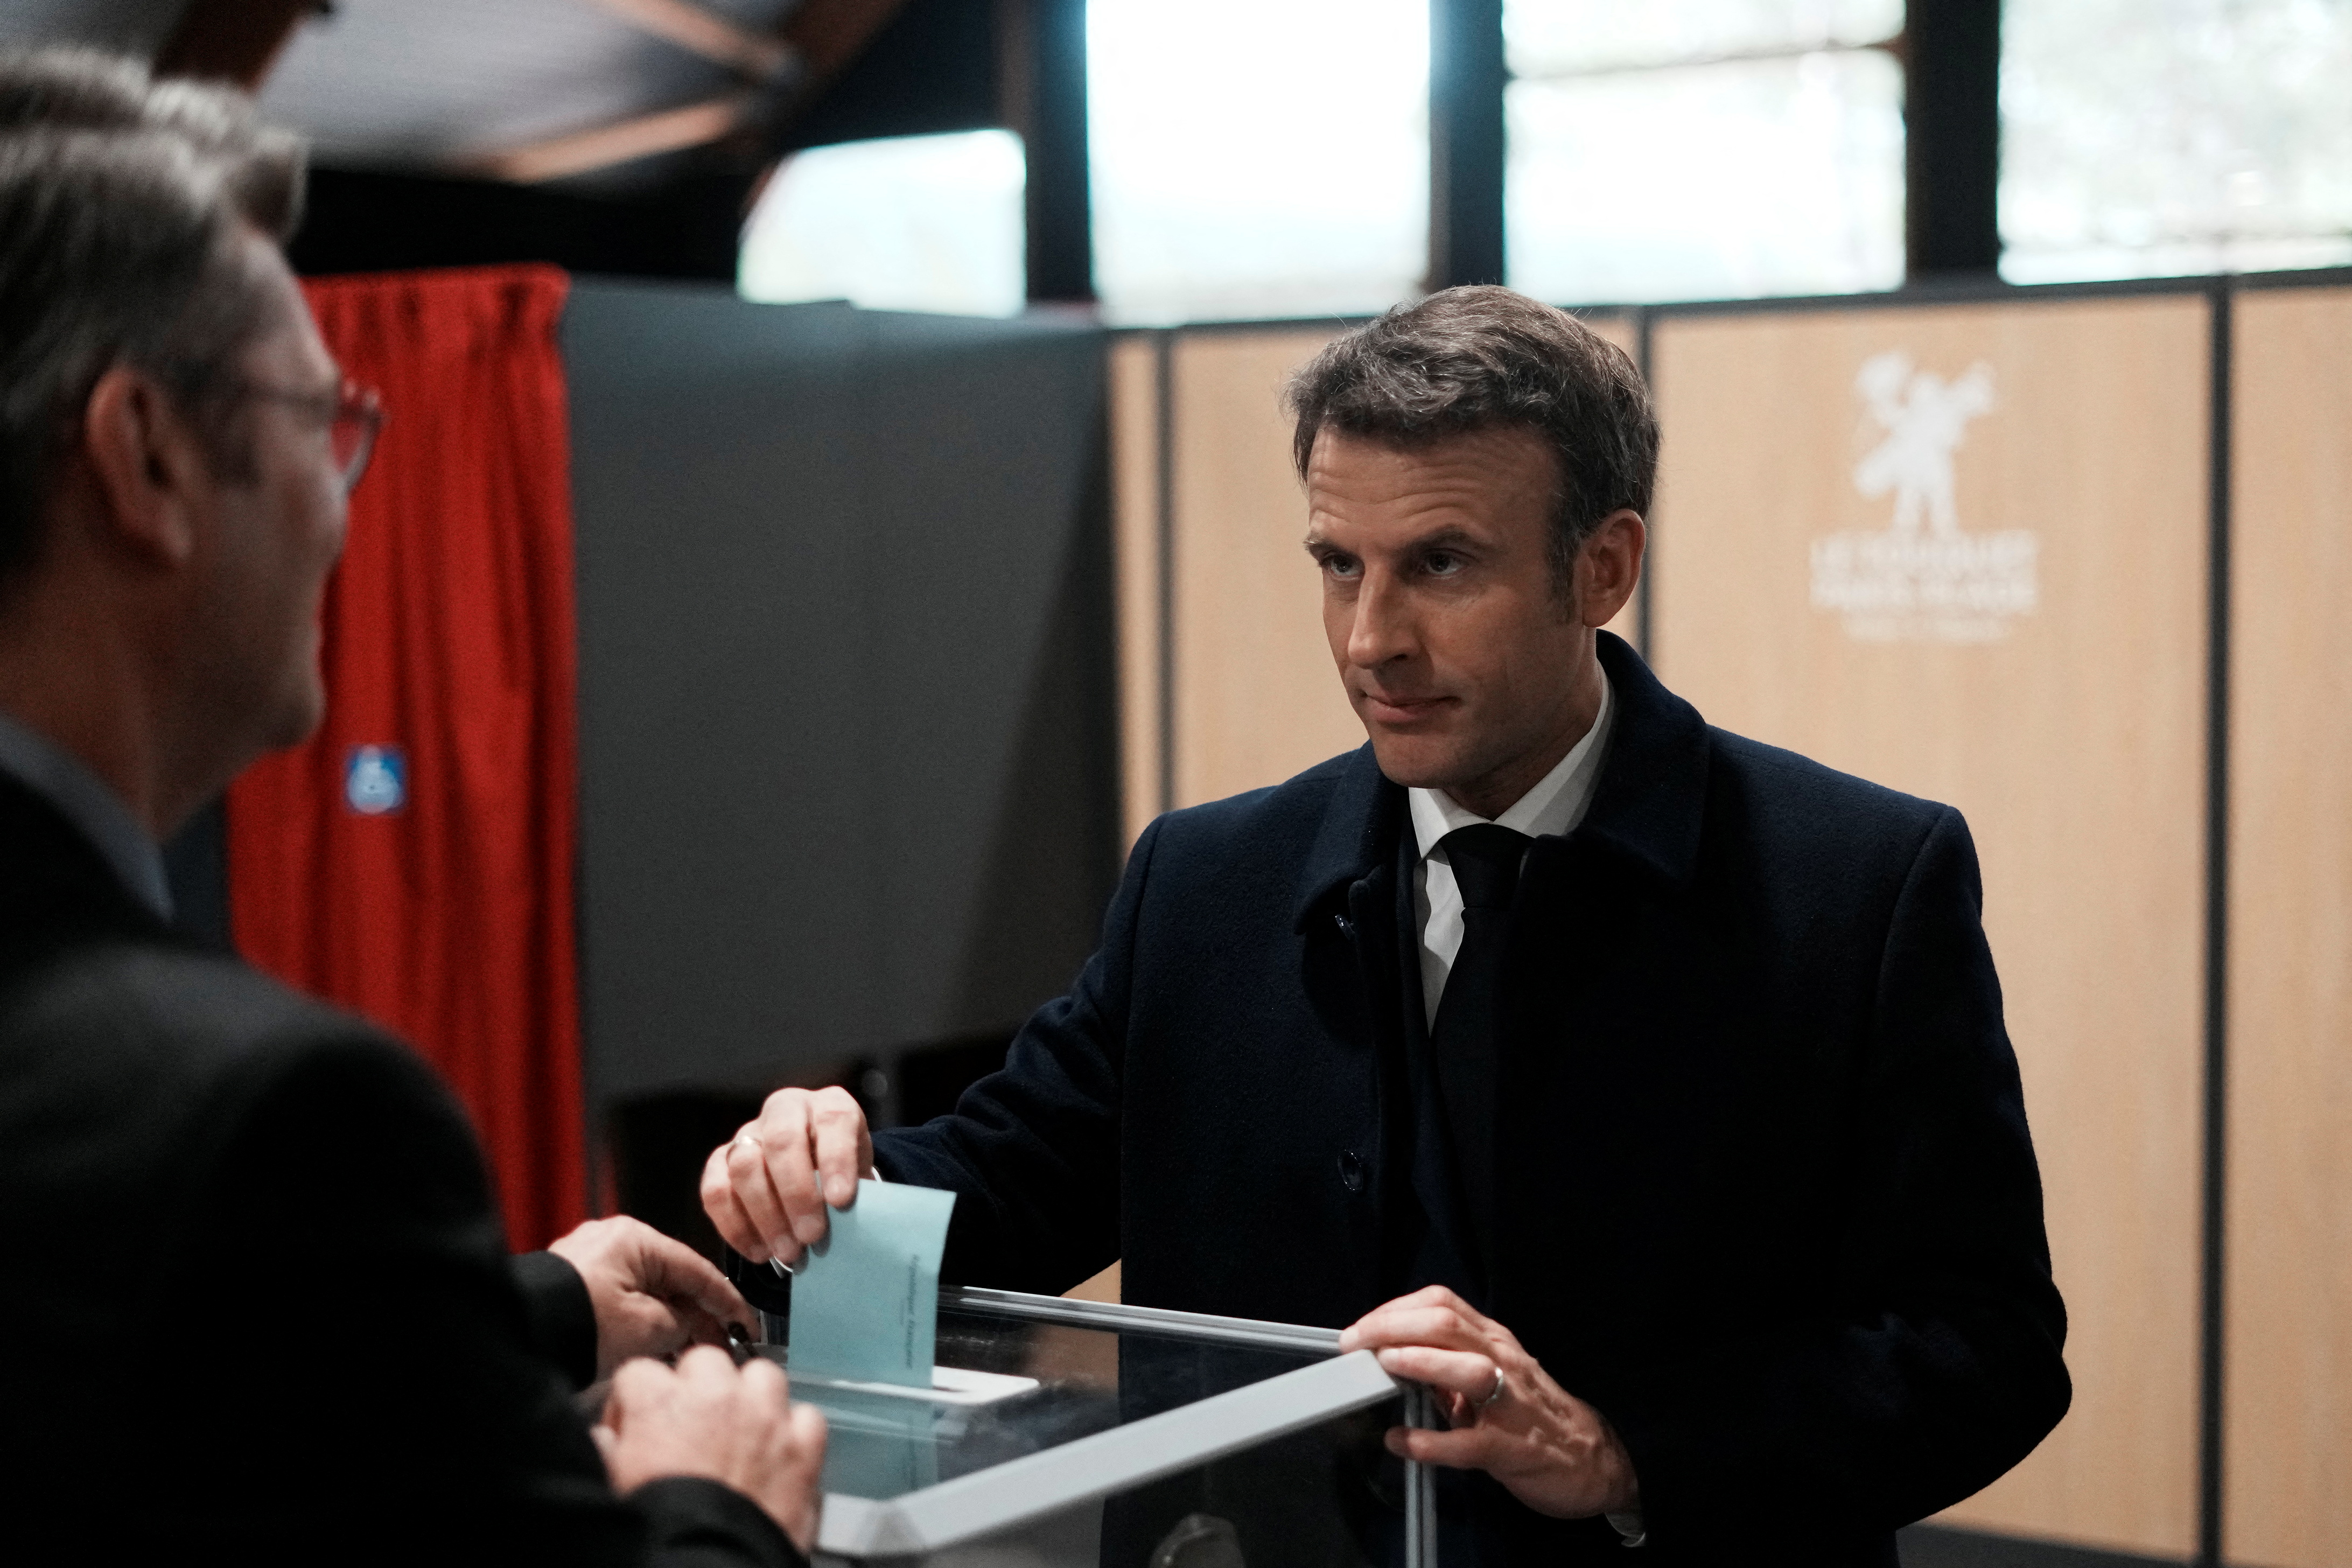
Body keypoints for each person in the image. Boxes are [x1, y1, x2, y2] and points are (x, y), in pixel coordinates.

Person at [708, 287, 2074, 1564]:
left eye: (1440, 563)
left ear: (1603, 569)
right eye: (1337, 563)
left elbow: (1987, 1347)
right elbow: (1008, 1182)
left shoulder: (1864, 884)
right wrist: (822, 1183)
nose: (1371, 639)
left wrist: (1621, 1448)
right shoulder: (1203, 877)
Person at [0, 50, 824, 1565]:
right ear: (145, 456)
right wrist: (723, 1506)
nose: (344, 500)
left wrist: (527, 1307)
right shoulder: (274, 1119)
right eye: (320, 419)